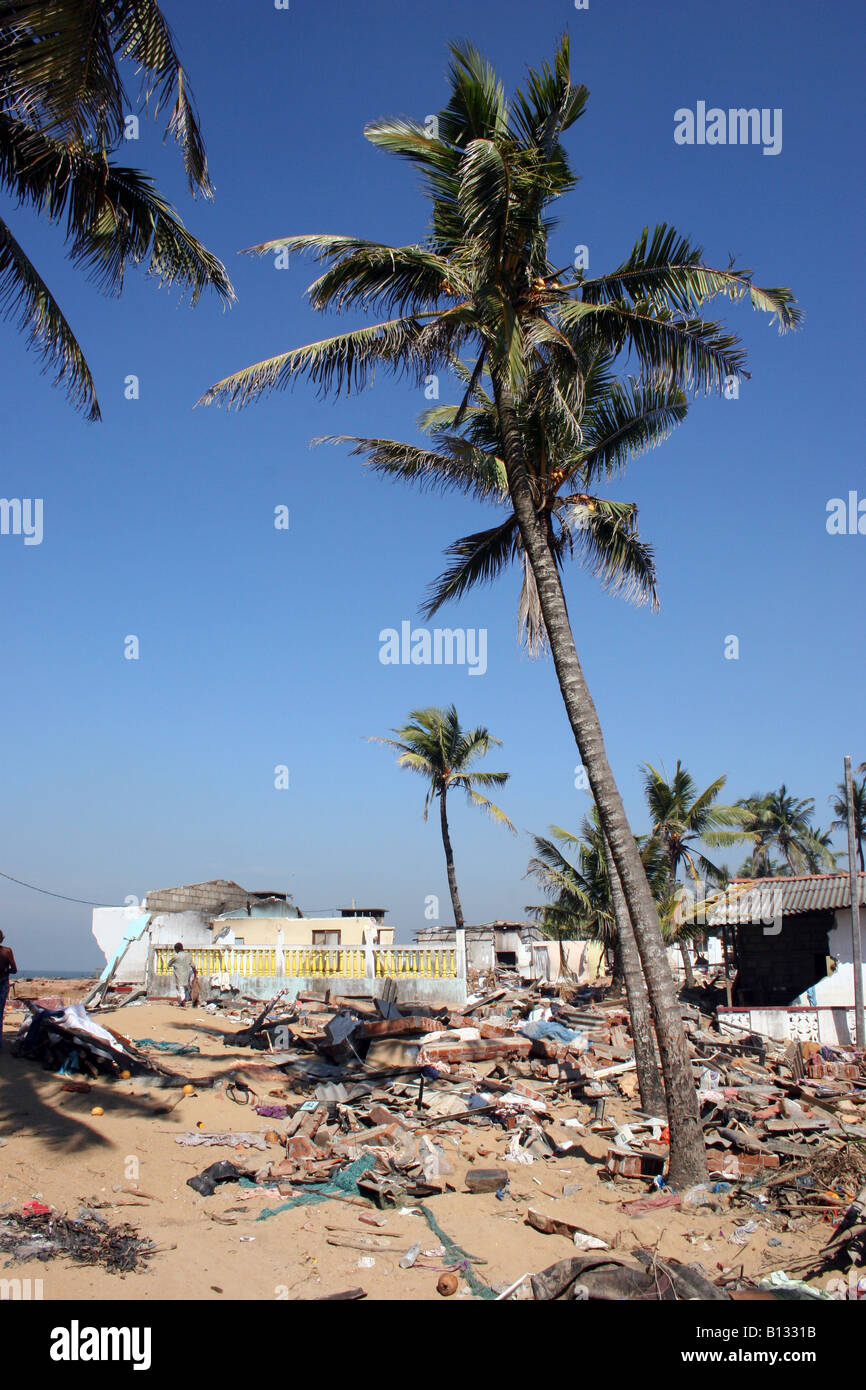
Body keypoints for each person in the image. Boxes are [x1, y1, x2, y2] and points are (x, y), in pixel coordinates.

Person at [0, 930, 18, 1050]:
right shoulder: (6, 951)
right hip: (2, 982)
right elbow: (14, 969)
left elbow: (14, 969)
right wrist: (6, 971)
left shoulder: (6, 951)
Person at [168, 942, 196, 1008]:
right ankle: (186, 1000)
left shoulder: (176, 956)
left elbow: (169, 964)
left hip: (179, 974)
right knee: (187, 987)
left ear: (177, 949)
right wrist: (195, 972)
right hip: (187, 974)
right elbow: (193, 965)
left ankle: (182, 1001)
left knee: (180, 988)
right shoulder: (188, 955)